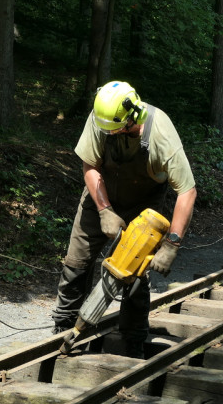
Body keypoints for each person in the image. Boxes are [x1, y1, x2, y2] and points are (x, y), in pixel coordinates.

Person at [52, 81, 197, 358]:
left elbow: (187, 191)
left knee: (135, 275)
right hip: (100, 195)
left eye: (116, 129)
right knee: (76, 262)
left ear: (133, 115)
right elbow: (90, 165)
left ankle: (132, 340)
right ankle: (63, 326)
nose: (110, 134)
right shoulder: (102, 116)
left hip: (144, 204)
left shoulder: (160, 133)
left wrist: (172, 244)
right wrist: (104, 209)